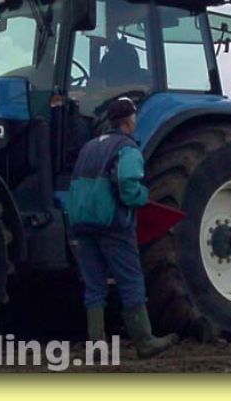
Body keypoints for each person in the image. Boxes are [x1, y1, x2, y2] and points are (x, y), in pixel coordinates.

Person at [67, 97, 178, 358]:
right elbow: (127, 184)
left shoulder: (90, 146)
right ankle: (145, 341)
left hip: (82, 222)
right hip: (112, 224)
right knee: (130, 280)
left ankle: (96, 345)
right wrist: (142, 196)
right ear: (129, 122)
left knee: (94, 286)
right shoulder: (127, 147)